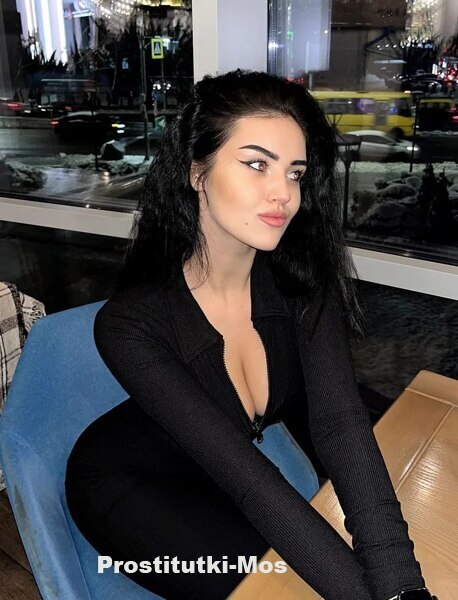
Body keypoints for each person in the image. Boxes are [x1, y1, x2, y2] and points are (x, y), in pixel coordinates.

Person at [65, 70, 436, 600]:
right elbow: (249, 481)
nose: (283, 193)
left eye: (295, 173)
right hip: (132, 485)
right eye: (257, 164)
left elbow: (339, 425)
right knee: (280, 592)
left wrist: (404, 589)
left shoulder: (302, 286)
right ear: (197, 170)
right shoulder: (130, 325)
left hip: (232, 472)